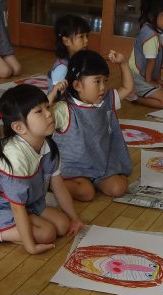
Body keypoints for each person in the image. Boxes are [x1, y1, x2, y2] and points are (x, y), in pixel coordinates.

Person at [0, 84, 83, 255]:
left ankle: (29, 218)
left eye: (47, 107)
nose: (49, 113)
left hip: (25, 201)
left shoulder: (47, 143)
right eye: (39, 111)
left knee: (64, 225)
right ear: (19, 127)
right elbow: (17, 208)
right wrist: (30, 246)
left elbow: (58, 185)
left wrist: (75, 219)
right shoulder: (14, 157)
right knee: (47, 233)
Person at [52, 49, 133, 201]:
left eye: (105, 80)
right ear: (77, 85)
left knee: (119, 188)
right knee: (87, 193)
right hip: (73, 168)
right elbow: (40, 118)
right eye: (97, 81)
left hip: (100, 163)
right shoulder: (64, 108)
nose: (103, 87)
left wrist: (123, 63)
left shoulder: (106, 100)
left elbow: (127, 88)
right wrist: (52, 96)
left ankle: (92, 180)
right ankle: (52, 184)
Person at [128, 0, 163, 108]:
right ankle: (134, 97)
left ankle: (148, 92)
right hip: (137, 78)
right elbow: (151, 62)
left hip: (149, 75)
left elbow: (157, 62)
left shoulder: (158, 31)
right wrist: (150, 81)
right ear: (151, 16)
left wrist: (158, 79)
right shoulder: (151, 36)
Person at [49, 14, 90, 90]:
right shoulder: (62, 68)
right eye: (81, 36)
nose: (86, 40)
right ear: (66, 41)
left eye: (87, 36)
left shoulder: (78, 58)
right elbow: (55, 95)